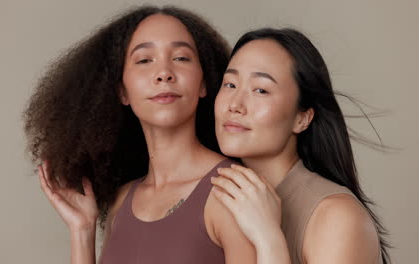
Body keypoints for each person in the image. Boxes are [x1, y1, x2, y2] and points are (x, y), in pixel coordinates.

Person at [23, 5, 256, 264]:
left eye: (181, 58)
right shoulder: (120, 203)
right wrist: (82, 231)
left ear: (203, 82)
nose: (164, 73)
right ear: (122, 92)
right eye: (144, 60)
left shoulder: (234, 191)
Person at [211, 28, 390, 264]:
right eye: (230, 84)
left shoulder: (336, 217)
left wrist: (269, 240)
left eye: (261, 90)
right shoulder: (213, 196)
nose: (235, 105)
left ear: (302, 118)